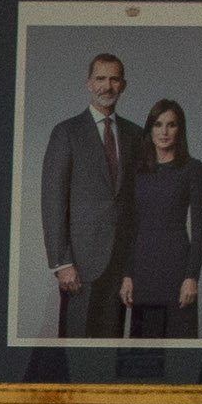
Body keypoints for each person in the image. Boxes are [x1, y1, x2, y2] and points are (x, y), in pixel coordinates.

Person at [41, 48, 140, 338]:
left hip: (120, 268)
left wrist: (132, 268)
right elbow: (52, 201)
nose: (106, 86)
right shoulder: (67, 133)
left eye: (114, 79)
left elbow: (137, 206)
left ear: (123, 85)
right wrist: (62, 262)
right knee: (75, 353)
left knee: (109, 356)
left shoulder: (136, 135)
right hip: (80, 268)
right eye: (100, 78)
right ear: (88, 83)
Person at [121, 98, 202, 347]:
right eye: (158, 124)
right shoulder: (139, 171)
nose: (164, 132)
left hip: (177, 271)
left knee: (179, 355)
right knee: (143, 360)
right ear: (150, 129)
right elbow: (132, 227)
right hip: (144, 273)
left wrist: (192, 276)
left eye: (171, 125)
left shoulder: (192, 169)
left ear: (179, 129)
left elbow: (199, 228)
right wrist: (128, 275)